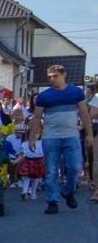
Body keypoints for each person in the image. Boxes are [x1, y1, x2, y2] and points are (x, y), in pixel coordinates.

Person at [29, 64, 92, 214]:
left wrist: (89, 134)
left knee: (75, 167)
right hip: (51, 137)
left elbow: (84, 114)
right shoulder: (44, 96)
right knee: (51, 170)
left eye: (55, 76)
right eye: (50, 77)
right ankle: (52, 201)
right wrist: (31, 138)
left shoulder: (76, 92)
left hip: (71, 135)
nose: (52, 79)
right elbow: (37, 117)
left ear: (64, 75)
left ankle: (68, 191)